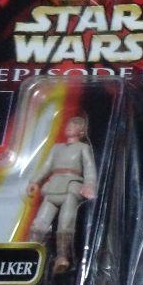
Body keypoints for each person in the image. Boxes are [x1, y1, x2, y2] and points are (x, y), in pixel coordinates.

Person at [26, 114, 96, 275]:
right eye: (69, 124)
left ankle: (62, 256)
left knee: (66, 223)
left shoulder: (83, 148)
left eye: (74, 125)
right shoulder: (56, 148)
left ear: (81, 131)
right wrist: (35, 181)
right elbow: (46, 166)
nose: (69, 127)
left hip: (71, 187)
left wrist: (90, 185)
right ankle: (31, 250)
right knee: (39, 223)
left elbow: (89, 168)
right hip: (53, 186)